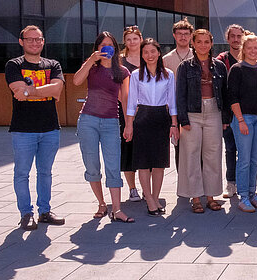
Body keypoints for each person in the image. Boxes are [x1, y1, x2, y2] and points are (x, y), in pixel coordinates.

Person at [6, 25, 66, 230]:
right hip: (23, 130)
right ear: (21, 41)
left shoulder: (53, 64)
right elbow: (17, 90)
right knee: (22, 173)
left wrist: (29, 91)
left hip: (50, 128)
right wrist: (46, 91)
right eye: (30, 39)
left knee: (45, 172)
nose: (34, 42)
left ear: (43, 41)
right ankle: (26, 213)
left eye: (38, 39)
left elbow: (58, 90)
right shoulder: (13, 65)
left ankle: (45, 211)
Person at [73, 32, 134, 223]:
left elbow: (125, 100)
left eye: (110, 45)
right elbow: (76, 81)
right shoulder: (91, 67)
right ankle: (101, 203)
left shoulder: (122, 72)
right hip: (88, 120)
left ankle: (117, 209)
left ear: (115, 48)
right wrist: (91, 60)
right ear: (97, 48)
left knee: (113, 166)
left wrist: (129, 124)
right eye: (102, 45)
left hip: (110, 122)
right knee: (92, 165)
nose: (106, 48)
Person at [176, 29, 231, 213]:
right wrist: (183, 120)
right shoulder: (185, 67)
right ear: (193, 43)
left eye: (206, 41)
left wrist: (225, 118)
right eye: (199, 41)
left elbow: (224, 93)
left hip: (214, 110)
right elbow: (180, 95)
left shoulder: (219, 66)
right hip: (193, 112)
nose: (202, 45)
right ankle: (195, 197)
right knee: (191, 155)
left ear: (211, 43)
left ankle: (211, 196)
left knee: (213, 154)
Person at [123, 38, 179, 216]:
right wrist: (129, 125)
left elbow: (172, 102)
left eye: (152, 51)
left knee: (159, 163)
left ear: (159, 52)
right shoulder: (136, 75)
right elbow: (131, 102)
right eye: (145, 52)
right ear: (142, 54)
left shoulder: (168, 74)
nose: (149, 55)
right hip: (143, 118)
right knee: (144, 163)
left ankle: (155, 197)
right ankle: (149, 199)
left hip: (161, 117)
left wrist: (174, 124)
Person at [228, 33, 257, 213]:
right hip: (243, 118)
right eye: (249, 48)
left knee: (255, 160)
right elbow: (232, 97)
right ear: (243, 50)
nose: (253, 51)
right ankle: (243, 196)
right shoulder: (237, 69)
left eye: (256, 48)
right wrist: (240, 120)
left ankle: (253, 193)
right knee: (244, 159)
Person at [163, 18, 195, 174]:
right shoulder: (166, 60)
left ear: (191, 36)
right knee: (179, 147)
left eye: (186, 34)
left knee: (197, 146)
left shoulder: (197, 56)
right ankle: (182, 179)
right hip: (174, 109)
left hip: (195, 107)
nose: (183, 37)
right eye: (180, 34)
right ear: (174, 36)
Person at [216, 24, 245, 198]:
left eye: (238, 36)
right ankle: (231, 182)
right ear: (227, 39)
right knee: (230, 148)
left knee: (245, 151)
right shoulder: (221, 60)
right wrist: (224, 115)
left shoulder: (249, 57)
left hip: (247, 110)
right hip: (229, 112)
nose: (236, 39)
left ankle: (245, 184)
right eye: (232, 36)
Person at [119, 25, 143, 202]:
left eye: (135, 38)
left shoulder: (149, 56)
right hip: (126, 110)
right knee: (127, 149)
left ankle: (147, 188)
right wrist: (129, 111)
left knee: (145, 149)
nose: (132, 42)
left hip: (148, 110)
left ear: (140, 39)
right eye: (129, 39)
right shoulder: (119, 61)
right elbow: (120, 89)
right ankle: (132, 188)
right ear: (125, 42)